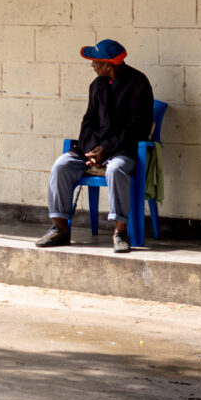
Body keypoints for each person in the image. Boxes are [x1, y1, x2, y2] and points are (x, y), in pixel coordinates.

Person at [36, 38, 154, 253]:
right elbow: (88, 121)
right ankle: (60, 229)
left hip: (122, 149)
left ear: (108, 65)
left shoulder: (138, 84)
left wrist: (106, 150)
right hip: (93, 149)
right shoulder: (97, 86)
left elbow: (136, 128)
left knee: (116, 169)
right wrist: (90, 150)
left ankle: (120, 232)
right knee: (61, 165)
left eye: (95, 62)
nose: (92, 65)